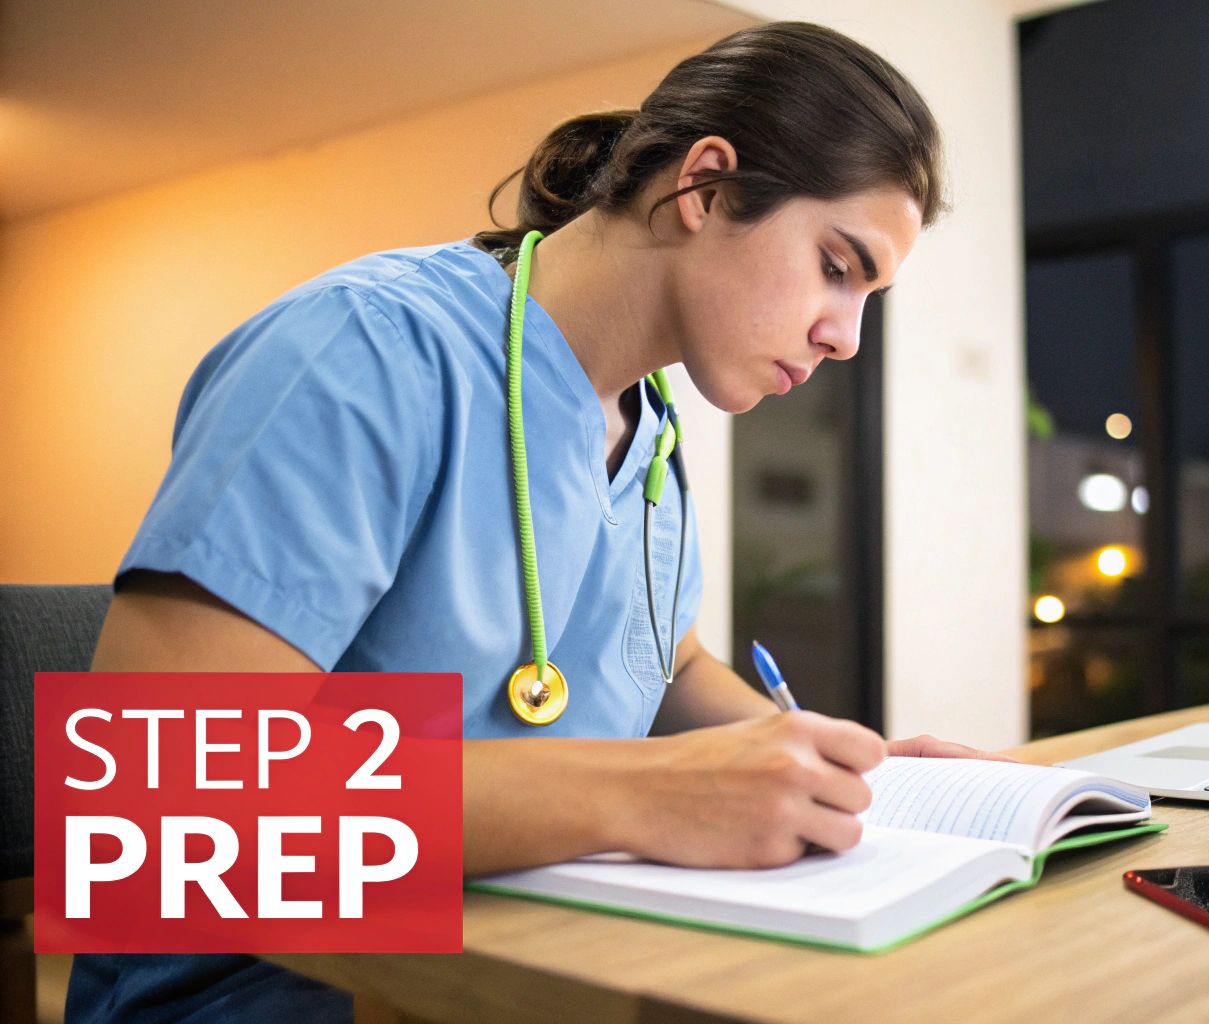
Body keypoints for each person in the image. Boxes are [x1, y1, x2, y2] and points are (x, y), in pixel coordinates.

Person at [69, 22, 1005, 1022]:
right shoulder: (365, 351)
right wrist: (645, 792)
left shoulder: (649, 433)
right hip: (276, 991)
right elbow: (167, 792)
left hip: (532, 964)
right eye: (835, 265)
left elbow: (663, 660)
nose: (845, 336)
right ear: (705, 188)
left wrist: (814, 763)